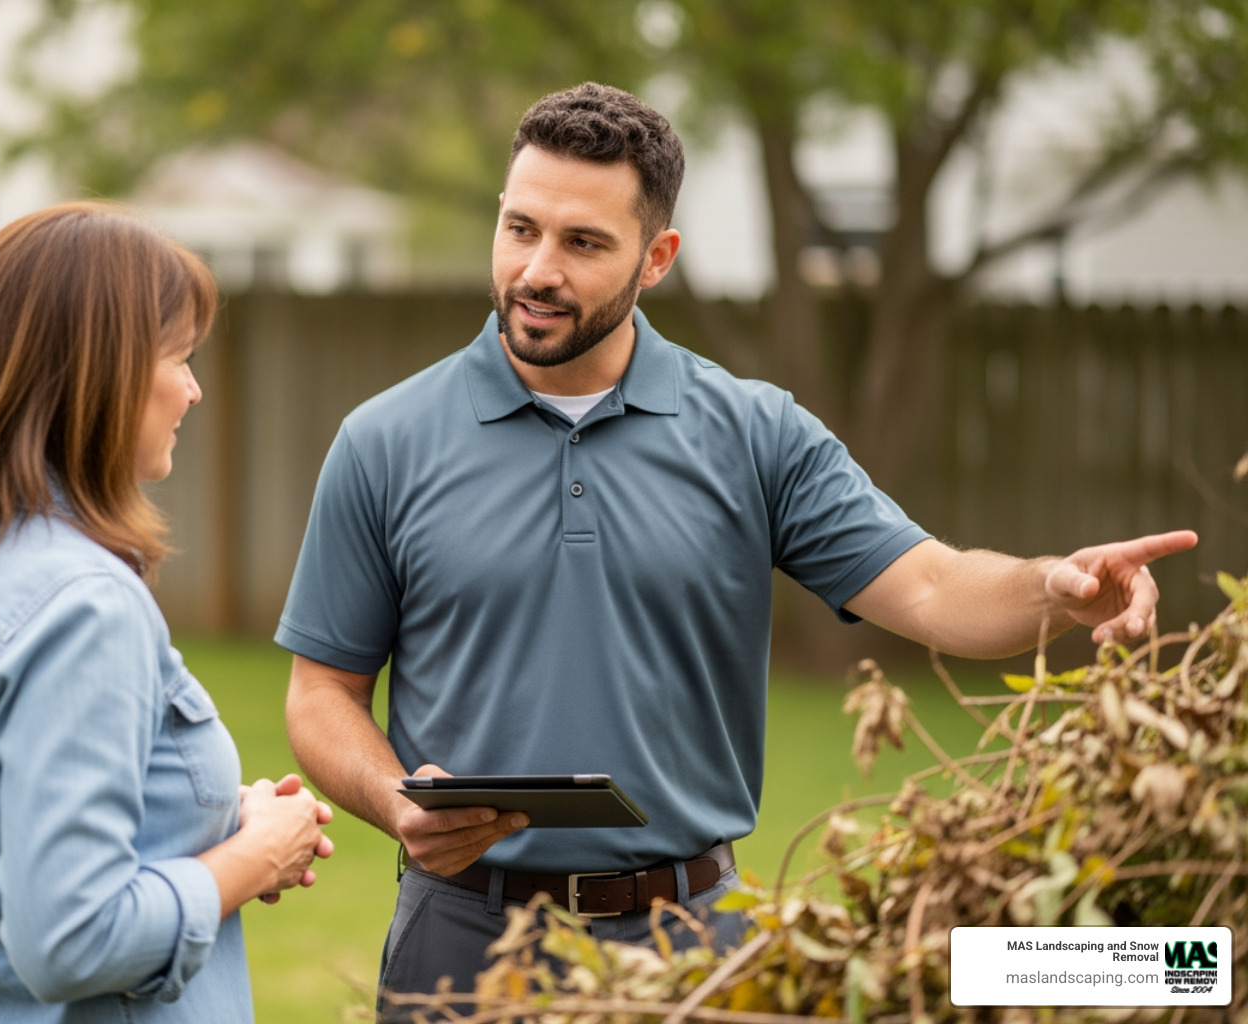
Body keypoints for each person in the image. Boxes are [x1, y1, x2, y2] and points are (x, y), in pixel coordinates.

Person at [275, 83, 1197, 1017]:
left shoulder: (755, 433)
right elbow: (321, 693)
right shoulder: (384, 440)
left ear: (657, 258)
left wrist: (1055, 587)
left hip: (693, 943)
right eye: (520, 229)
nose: (537, 269)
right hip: (461, 944)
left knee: (1177, 968)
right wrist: (396, 798)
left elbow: (930, 587)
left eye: (584, 242)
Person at [0, 201, 333, 1023]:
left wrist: (228, 826)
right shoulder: (84, 605)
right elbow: (74, 938)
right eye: (180, 358)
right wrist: (256, 857)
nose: (193, 390)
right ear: (99, 373)